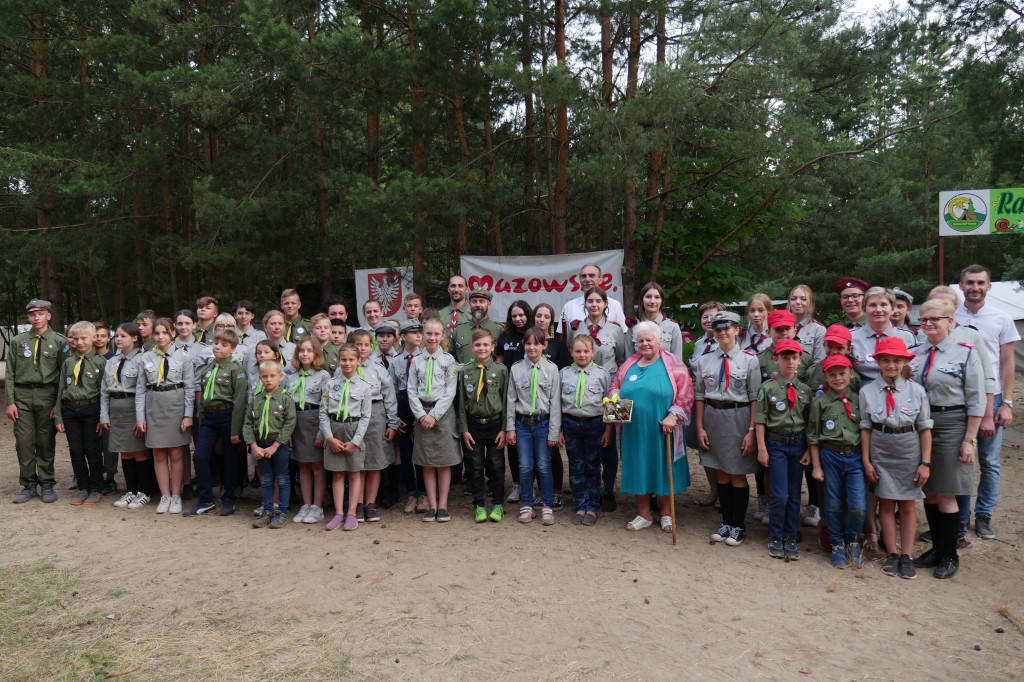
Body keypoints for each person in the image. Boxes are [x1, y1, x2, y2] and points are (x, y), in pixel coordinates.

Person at [911, 298, 985, 579]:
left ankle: (950, 554)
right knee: (928, 490)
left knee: (947, 491)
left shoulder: (965, 352)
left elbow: (977, 399)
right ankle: (937, 549)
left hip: (952, 424)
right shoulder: (916, 354)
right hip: (922, 426)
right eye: (924, 320)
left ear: (950, 322)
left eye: (935, 319)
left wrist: (970, 439)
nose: (928, 324)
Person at [953, 264, 1018, 540]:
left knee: (989, 461)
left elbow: (1007, 362)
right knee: (960, 460)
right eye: (970, 282)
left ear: (989, 286)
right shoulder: (950, 316)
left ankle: (984, 516)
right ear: (961, 286)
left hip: (993, 399)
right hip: (959, 399)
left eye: (980, 282)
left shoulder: (1002, 318)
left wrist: (1008, 403)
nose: (975, 287)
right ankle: (959, 518)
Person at [860, 337, 932, 580]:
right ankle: (892, 553)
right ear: (878, 361)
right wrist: (867, 461)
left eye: (896, 360)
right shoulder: (867, 391)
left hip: (909, 451)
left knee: (908, 505)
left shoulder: (917, 390)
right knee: (887, 504)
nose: (891, 365)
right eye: (886, 360)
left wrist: (925, 462)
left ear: (904, 362)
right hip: (881, 450)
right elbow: (865, 428)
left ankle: (907, 555)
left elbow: (924, 428)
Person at [611, 321, 694, 532]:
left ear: (659, 340)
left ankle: (665, 513)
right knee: (639, 466)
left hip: (663, 427)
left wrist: (674, 416)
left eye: (649, 339)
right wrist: (614, 397)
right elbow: (616, 387)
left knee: (663, 466)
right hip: (634, 429)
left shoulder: (673, 363)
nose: (645, 344)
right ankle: (644, 514)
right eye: (641, 340)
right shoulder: (628, 364)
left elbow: (686, 394)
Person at [693, 311, 761, 546]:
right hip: (713, 417)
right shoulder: (705, 360)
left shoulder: (750, 360)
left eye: (727, 328)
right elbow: (700, 395)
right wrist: (700, 427)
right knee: (720, 471)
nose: (722, 333)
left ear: (737, 330)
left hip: (738, 417)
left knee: (736, 473)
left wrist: (751, 431)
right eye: (718, 328)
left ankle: (739, 526)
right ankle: (726, 523)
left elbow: (754, 398)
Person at [568, 286, 627, 511]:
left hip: (611, 385)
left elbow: (622, 359)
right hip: (585, 385)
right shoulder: (576, 328)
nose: (594, 305)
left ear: (605, 304)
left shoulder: (615, 329)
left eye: (598, 301)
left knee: (609, 442)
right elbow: (571, 353)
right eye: (590, 301)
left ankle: (608, 490)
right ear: (585, 304)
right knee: (584, 445)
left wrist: (616, 391)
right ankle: (584, 490)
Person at [7, 299, 69, 504]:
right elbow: (9, 374)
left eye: (40, 313)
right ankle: (29, 486)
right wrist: (10, 401)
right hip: (22, 396)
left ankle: (47, 484)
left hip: (47, 395)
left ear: (49, 316)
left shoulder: (60, 341)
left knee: (45, 442)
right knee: (24, 442)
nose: (36, 317)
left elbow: (62, 376)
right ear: (28, 317)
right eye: (32, 314)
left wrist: (58, 405)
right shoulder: (18, 341)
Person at [755, 339, 811, 560]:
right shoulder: (767, 388)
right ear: (775, 360)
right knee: (780, 495)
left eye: (794, 357)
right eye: (785, 357)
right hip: (776, 445)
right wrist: (762, 448)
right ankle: (775, 536)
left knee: (795, 495)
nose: (790, 362)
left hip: (798, 445)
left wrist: (807, 448)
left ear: (800, 360)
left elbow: (808, 423)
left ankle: (790, 535)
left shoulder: (805, 390)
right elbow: (760, 420)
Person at [808, 355, 866, 569]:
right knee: (832, 505)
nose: (838, 378)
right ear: (825, 376)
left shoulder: (860, 400)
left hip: (856, 457)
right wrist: (816, 466)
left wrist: (867, 461)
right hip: (829, 457)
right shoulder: (820, 402)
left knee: (858, 506)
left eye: (842, 373)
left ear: (852, 373)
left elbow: (866, 432)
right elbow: (813, 435)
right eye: (832, 374)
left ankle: (852, 541)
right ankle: (837, 545)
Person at [136, 318, 195, 514]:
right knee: (158, 453)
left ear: (172, 334)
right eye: (157, 333)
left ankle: (176, 495)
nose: (160, 337)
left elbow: (189, 388)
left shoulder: (183, 357)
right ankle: (165, 495)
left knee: (177, 454)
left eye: (164, 332)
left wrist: (188, 415)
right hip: (154, 408)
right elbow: (140, 390)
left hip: (176, 407)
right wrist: (140, 417)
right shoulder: (146, 358)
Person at [189, 327, 249, 516]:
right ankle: (206, 499)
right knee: (199, 456)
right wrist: (201, 420)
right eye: (216, 343)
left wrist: (235, 430)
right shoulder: (208, 369)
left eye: (224, 345)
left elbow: (239, 401)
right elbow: (204, 398)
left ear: (232, 349)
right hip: (209, 418)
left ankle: (229, 498)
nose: (218, 347)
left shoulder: (235, 370)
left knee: (230, 459)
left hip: (228, 416)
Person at [505, 327, 562, 525]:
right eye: (528, 343)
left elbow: (555, 403)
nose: (532, 347)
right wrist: (510, 428)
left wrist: (554, 431)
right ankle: (527, 505)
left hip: (543, 423)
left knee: (544, 466)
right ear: (523, 345)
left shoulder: (552, 369)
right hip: (522, 425)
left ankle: (546, 505)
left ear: (544, 345)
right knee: (525, 465)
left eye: (536, 343)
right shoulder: (516, 368)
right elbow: (511, 400)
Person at [408, 318, 461, 522]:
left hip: (443, 415)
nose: (432, 338)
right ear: (422, 335)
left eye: (436, 334)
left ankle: (443, 505)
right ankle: (431, 505)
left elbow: (450, 392)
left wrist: (434, 415)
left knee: (443, 462)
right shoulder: (416, 361)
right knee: (427, 462)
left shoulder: (448, 361)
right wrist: (422, 415)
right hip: (422, 413)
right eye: (428, 334)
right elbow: (411, 390)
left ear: (442, 336)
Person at [100, 323, 155, 510]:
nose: (118, 339)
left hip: (134, 408)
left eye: (123, 336)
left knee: (139, 452)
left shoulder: (143, 359)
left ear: (134, 338)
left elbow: (144, 390)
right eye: (116, 336)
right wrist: (104, 416)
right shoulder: (112, 361)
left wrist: (142, 416)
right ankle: (131, 491)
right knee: (125, 451)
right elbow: (104, 391)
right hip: (116, 410)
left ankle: (144, 492)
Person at [456, 328, 508, 522]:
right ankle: (479, 505)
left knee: (496, 465)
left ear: (493, 347)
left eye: (486, 344)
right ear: (472, 347)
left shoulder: (501, 370)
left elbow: (505, 402)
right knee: (475, 467)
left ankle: (497, 504)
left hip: (495, 425)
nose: (482, 348)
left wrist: (504, 428)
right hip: (473, 426)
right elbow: (461, 403)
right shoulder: (466, 371)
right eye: (478, 345)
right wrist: (464, 430)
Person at [559, 335, 612, 526]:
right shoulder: (563, 373)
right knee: (575, 465)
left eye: (586, 351)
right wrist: (559, 430)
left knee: (593, 465)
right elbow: (557, 403)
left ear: (593, 353)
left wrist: (608, 430)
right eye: (578, 351)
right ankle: (580, 504)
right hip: (571, 424)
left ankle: (592, 506)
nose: (582, 355)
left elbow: (609, 402)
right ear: (571, 352)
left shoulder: (602, 374)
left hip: (595, 424)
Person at [55, 321, 108, 506]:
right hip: (70, 410)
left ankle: (96, 489)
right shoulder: (69, 362)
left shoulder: (101, 362)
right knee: (76, 450)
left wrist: (103, 417)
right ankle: (83, 488)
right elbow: (61, 388)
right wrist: (59, 416)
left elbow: (104, 392)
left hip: (91, 410)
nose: (79, 342)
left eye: (84, 338)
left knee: (92, 450)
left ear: (93, 338)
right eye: (76, 338)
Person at [320, 344, 371, 531]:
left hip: (353, 431)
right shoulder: (331, 384)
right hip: (334, 431)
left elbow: (366, 417)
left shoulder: (365, 387)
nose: (347, 363)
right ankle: (339, 513)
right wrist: (329, 438)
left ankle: (351, 513)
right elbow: (323, 413)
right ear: (338, 361)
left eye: (351, 360)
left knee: (354, 473)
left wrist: (355, 442)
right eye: (343, 359)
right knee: (338, 474)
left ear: (359, 361)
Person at [349, 329, 399, 523]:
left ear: (372, 347)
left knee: (374, 462)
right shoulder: (344, 366)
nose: (361, 348)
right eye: (357, 345)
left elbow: (390, 397)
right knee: (357, 463)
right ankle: (357, 503)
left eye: (366, 345)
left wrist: (393, 423)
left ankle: (370, 503)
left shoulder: (379, 368)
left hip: (376, 416)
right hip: (352, 417)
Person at [285, 337, 331, 524]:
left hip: (314, 420)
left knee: (317, 466)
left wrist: (322, 433)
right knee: (302, 465)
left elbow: (325, 406)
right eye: (301, 350)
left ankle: (317, 506)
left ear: (316, 354)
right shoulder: (291, 376)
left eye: (309, 351)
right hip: (295, 421)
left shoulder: (323, 376)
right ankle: (306, 504)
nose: (305, 354)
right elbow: (287, 404)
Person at [246, 361, 297, 529]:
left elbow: (289, 423)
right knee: (267, 479)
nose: (269, 379)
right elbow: (248, 423)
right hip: (260, 446)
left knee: (282, 479)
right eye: (265, 376)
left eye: (272, 376)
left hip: (278, 446)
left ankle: (281, 512)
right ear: (260, 378)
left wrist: (275, 446)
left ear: (280, 377)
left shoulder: (285, 398)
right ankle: (267, 511)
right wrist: (254, 446)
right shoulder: (256, 399)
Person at [689, 301, 725, 508]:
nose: (709, 320)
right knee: (705, 448)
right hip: (701, 400)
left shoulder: (727, 341)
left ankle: (724, 491)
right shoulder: (699, 344)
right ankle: (713, 489)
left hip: (720, 401)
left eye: (713, 316)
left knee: (721, 447)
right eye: (705, 316)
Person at [391, 319, 427, 513]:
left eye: (420, 331)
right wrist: (396, 417)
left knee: (422, 451)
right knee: (406, 452)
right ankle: (411, 493)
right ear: (403, 337)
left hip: (422, 406)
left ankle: (424, 493)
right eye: (413, 333)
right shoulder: (396, 361)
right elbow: (392, 391)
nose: (419, 335)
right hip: (404, 406)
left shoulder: (425, 358)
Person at [850, 287, 918, 384]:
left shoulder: (907, 337)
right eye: (872, 305)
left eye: (884, 305)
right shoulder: (852, 337)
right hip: (863, 394)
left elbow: (913, 371)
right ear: (864, 310)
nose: (878, 310)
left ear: (892, 309)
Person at [557, 264, 626, 333]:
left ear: (600, 279)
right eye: (583, 276)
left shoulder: (614, 305)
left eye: (591, 275)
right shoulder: (569, 307)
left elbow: (623, 333)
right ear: (580, 280)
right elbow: (563, 336)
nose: (587, 279)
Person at [93, 321, 119, 495]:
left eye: (103, 335)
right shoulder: (85, 357)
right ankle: (94, 476)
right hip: (90, 407)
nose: (99, 339)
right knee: (92, 444)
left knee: (109, 445)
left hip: (109, 408)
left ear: (109, 338)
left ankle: (110, 477)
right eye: (95, 335)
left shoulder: (113, 359)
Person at [625, 282, 683, 358]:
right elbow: (628, 361)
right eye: (648, 297)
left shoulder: (672, 327)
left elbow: (677, 361)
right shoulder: (634, 327)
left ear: (662, 301)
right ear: (642, 301)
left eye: (657, 297)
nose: (652, 301)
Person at [451, 289, 504, 365]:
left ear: (488, 305)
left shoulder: (498, 329)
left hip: (489, 376)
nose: (478, 305)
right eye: (474, 301)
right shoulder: (459, 330)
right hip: (464, 375)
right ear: (469, 304)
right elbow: (450, 356)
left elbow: (503, 357)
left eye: (482, 301)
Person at [787, 284, 826, 362]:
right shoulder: (781, 327)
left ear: (810, 303)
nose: (798, 302)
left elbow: (819, 362)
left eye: (803, 299)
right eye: (794, 299)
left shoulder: (818, 330)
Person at [531, 303, 572, 369]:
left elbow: (564, 371)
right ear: (534, 318)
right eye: (538, 316)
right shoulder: (526, 342)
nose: (542, 320)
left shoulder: (558, 344)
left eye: (546, 317)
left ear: (551, 321)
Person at [495, 299, 531, 366]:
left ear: (528, 315)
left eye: (521, 315)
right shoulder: (504, 336)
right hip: (508, 375)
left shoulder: (533, 336)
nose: (517, 319)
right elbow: (499, 363)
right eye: (514, 316)